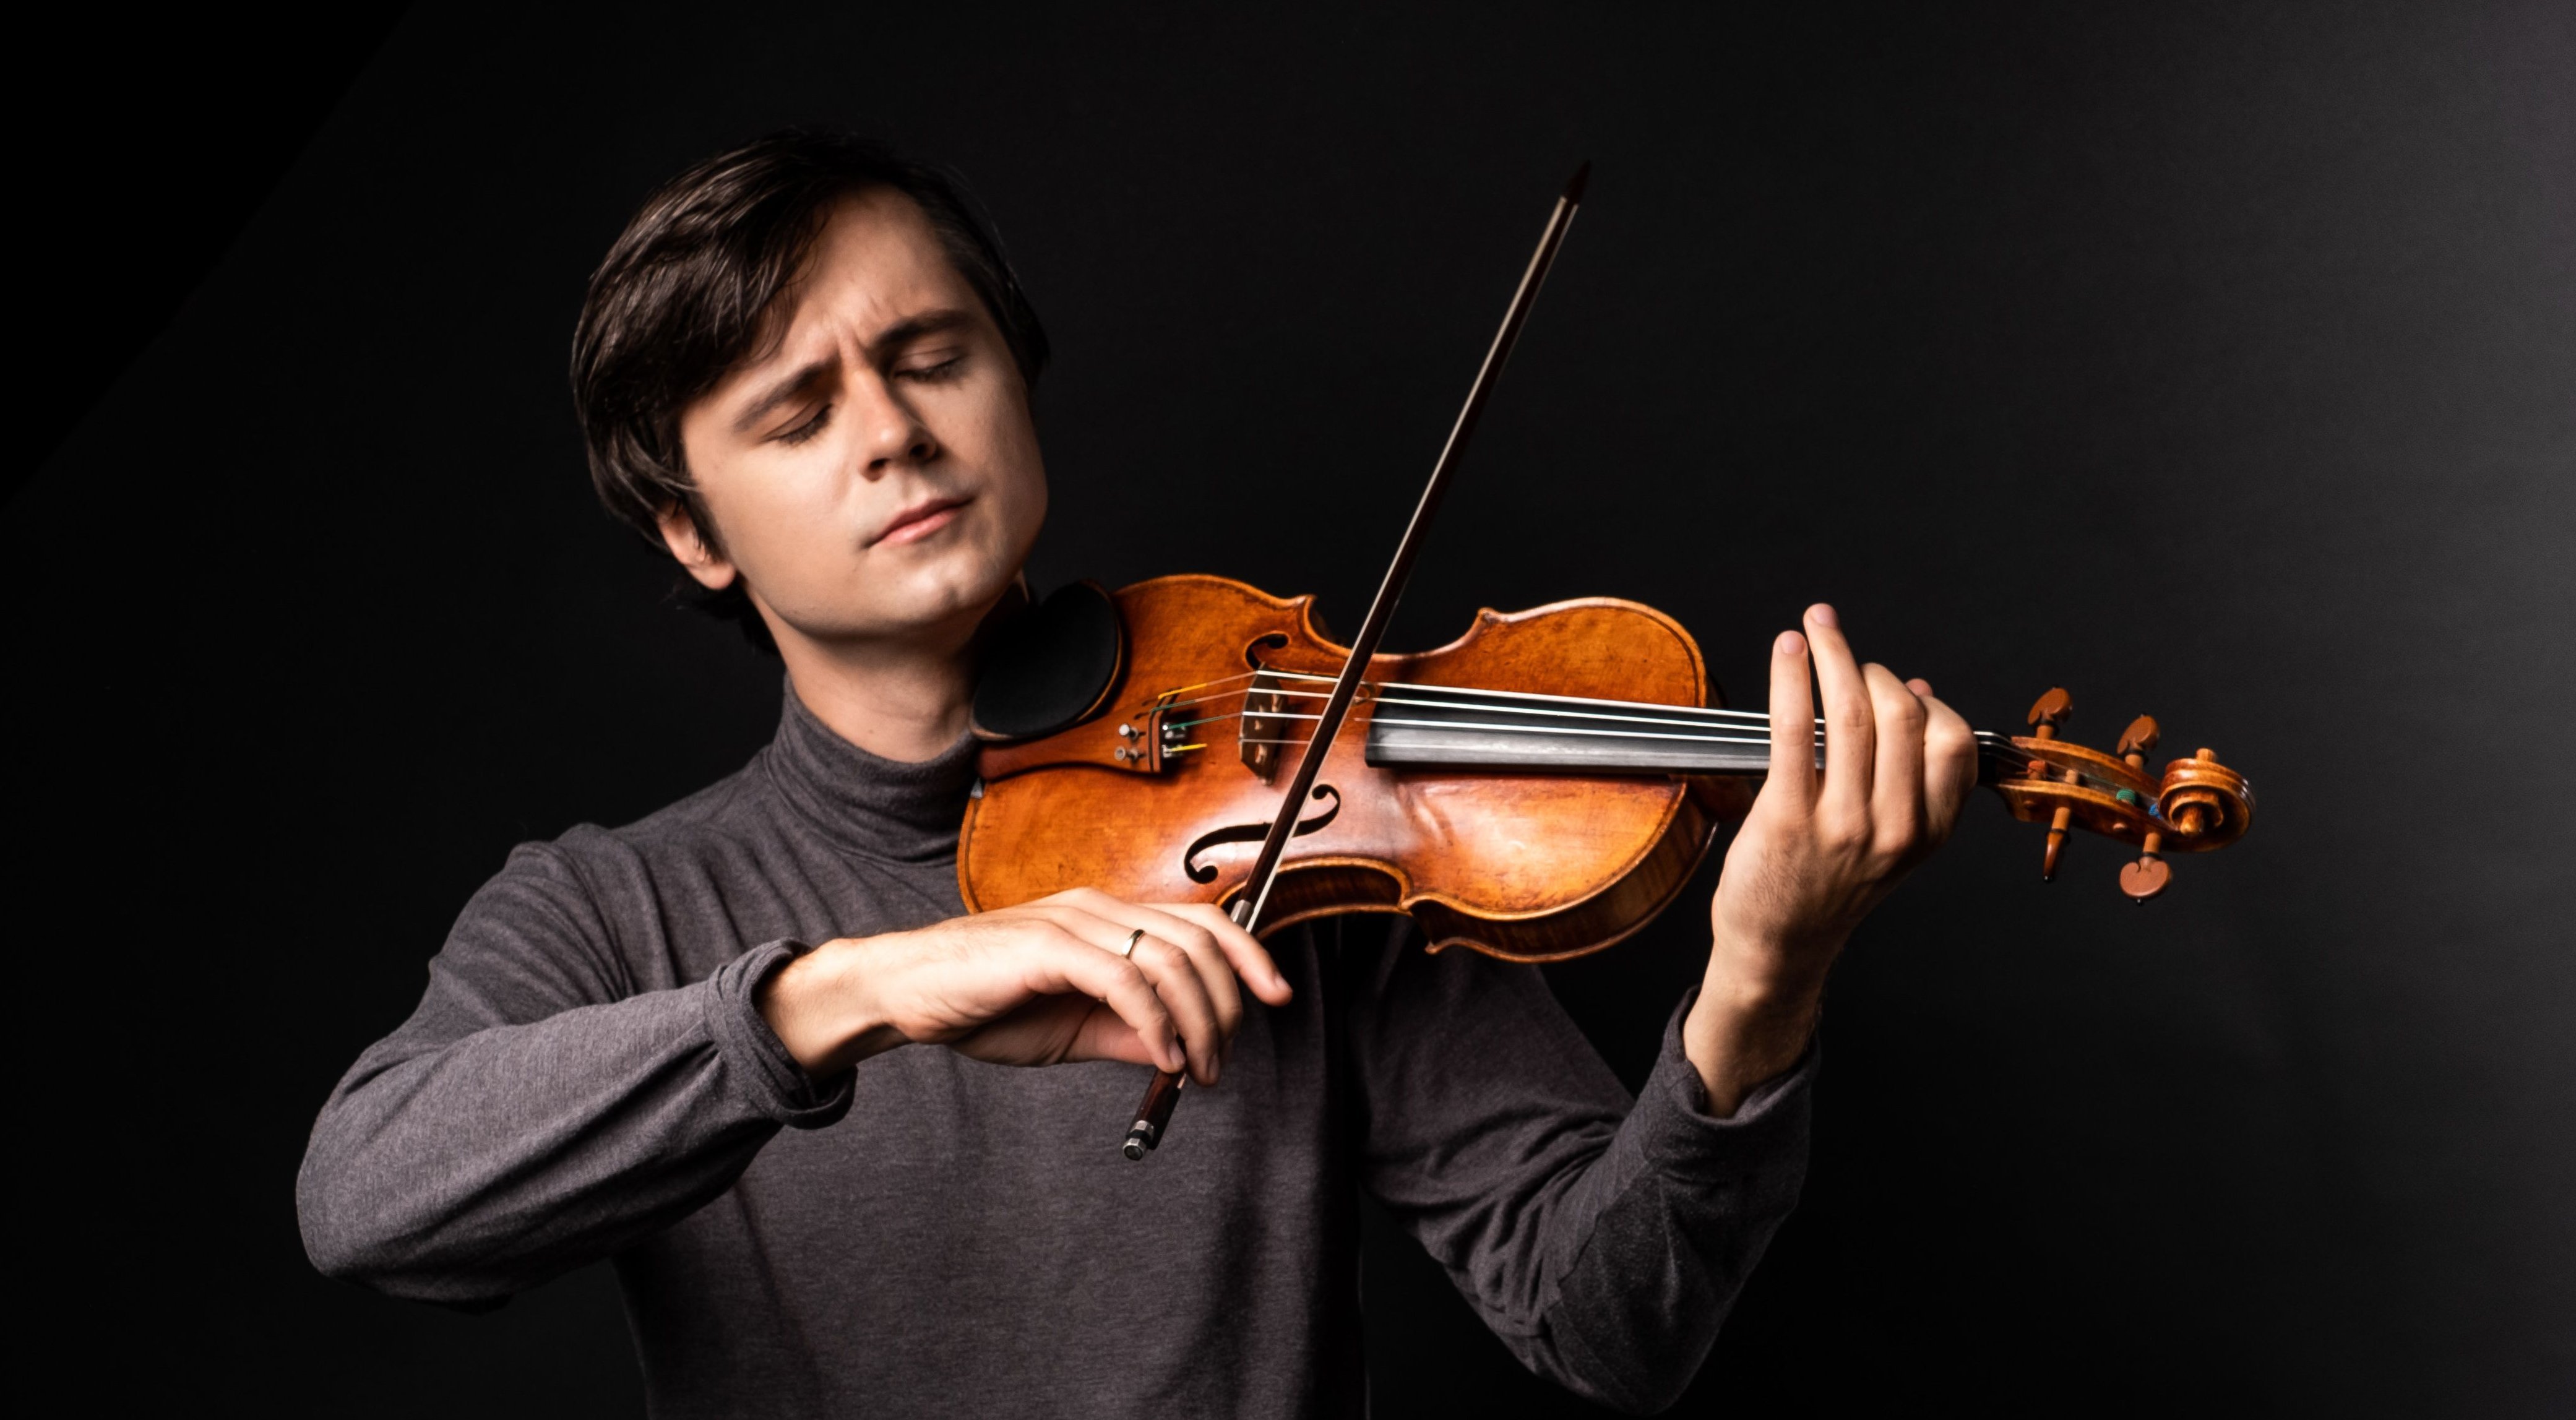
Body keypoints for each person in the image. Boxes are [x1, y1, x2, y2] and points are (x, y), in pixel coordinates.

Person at [295, 129, 1976, 1418]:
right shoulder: (613, 905)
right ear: (693, 533)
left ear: (1014, 377)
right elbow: (369, 1201)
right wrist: (860, 989)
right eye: (796, 415)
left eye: (932, 355)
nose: (892, 431)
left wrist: (1761, 986)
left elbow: (1608, 1327)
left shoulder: (1301, 811)